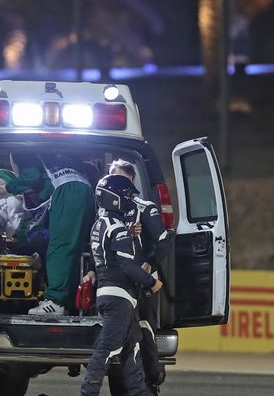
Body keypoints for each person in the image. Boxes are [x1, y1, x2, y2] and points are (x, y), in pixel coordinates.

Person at [80, 174, 163, 396]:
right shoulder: (116, 228)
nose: (129, 200)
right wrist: (151, 281)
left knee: (131, 352)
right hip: (119, 299)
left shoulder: (100, 224)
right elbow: (127, 265)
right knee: (105, 351)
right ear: (114, 199)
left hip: (113, 297)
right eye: (126, 196)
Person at [0, 152, 94, 315]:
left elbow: (32, 176)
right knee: (71, 249)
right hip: (82, 190)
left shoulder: (21, 147)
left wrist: (6, 189)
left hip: (68, 190)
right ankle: (67, 301)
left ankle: (56, 301)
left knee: (59, 248)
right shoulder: (48, 151)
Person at [110, 159, 173, 394]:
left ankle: (150, 383)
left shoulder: (145, 207)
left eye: (120, 177)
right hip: (115, 284)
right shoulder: (107, 210)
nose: (115, 183)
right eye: (112, 178)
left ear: (132, 179)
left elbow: (164, 242)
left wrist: (149, 263)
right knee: (118, 337)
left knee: (144, 331)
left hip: (141, 284)